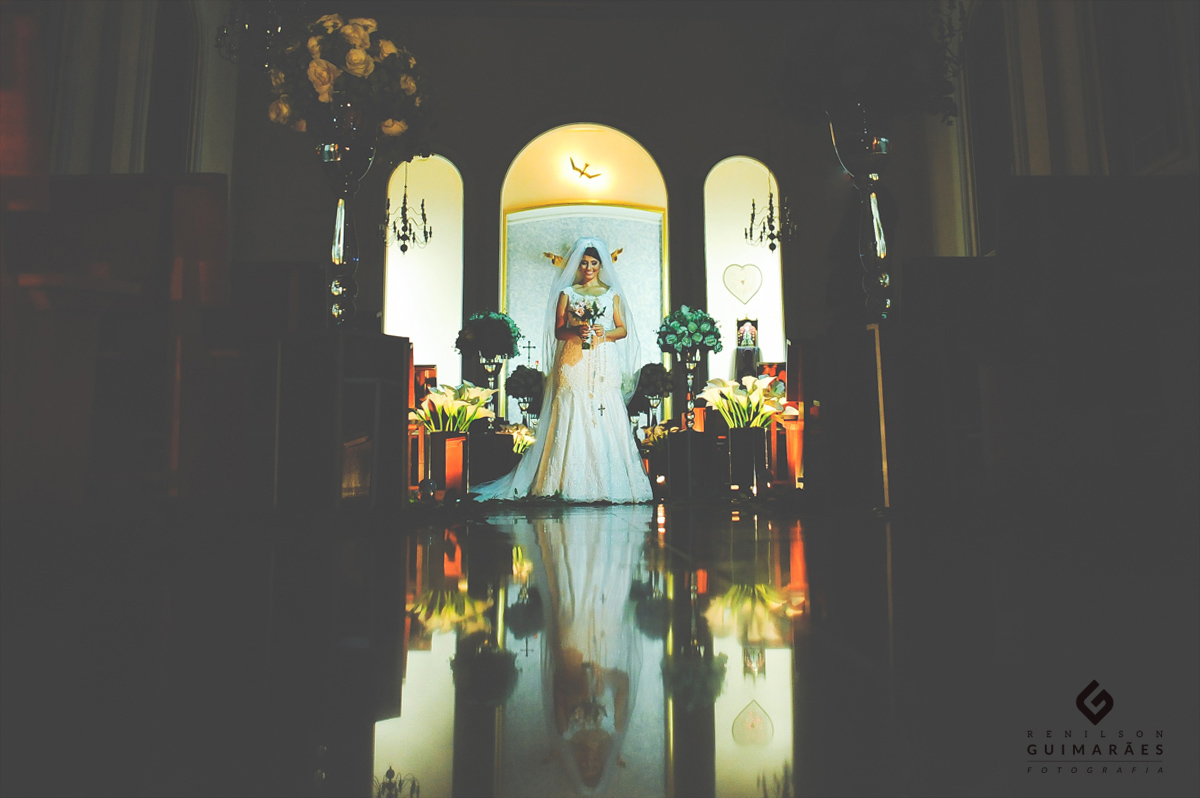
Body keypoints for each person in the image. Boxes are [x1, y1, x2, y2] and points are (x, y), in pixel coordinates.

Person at [472, 237, 653, 503]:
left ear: (601, 265)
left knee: (604, 407)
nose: (589, 268)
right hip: (573, 360)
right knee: (571, 405)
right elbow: (558, 331)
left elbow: (623, 330)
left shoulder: (612, 294)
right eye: (584, 263)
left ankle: (610, 483)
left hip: (603, 359)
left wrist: (604, 333)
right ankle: (560, 482)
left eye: (593, 263)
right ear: (577, 265)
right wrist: (577, 331)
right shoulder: (567, 293)